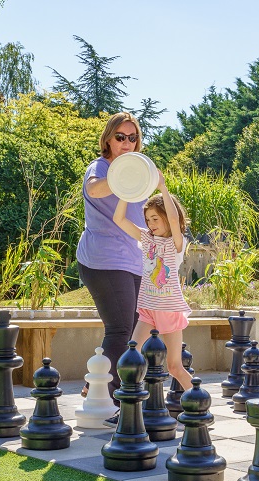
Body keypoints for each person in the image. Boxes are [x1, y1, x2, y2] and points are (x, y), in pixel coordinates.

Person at [107, 172, 194, 425]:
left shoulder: (175, 243)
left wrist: (163, 188)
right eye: (148, 219)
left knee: (175, 367)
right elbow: (118, 218)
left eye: (156, 218)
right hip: (147, 308)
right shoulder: (146, 239)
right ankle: (126, 412)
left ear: (167, 218)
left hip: (168, 309)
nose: (151, 223)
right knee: (129, 359)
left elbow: (176, 220)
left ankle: (201, 403)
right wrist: (124, 193)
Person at [77, 112, 146, 398]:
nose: (126, 143)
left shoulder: (139, 172)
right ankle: (110, 396)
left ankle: (97, 386)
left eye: (132, 138)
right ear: (108, 139)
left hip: (132, 259)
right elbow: (94, 190)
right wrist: (123, 179)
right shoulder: (101, 167)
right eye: (120, 137)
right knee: (119, 329)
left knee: (131, 330)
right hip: (103, 259)